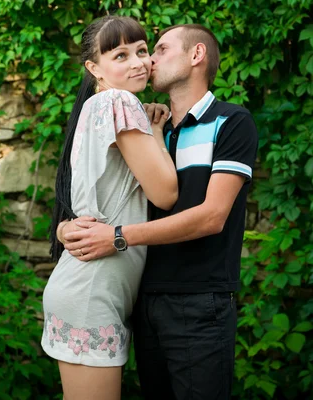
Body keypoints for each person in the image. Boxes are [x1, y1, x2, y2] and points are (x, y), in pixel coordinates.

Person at [63, 23, 259, 400]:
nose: (148, 59)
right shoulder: (150, 127)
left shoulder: (231, 122)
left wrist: (117, 236)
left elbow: (211, 216)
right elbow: (96, 192)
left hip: (200, 301)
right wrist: (65, 229)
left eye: (160, 49)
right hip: (143, 300)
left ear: (196, 55)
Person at [41, 16, 178, 400]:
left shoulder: (95, 108)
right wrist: (155, 131)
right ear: (94, 68)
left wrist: (62, 229)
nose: (138, 62)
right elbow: (165, 193)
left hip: (91, 285)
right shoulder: (118, 102)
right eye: (121, 54)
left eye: (142, 50)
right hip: (92, 290)